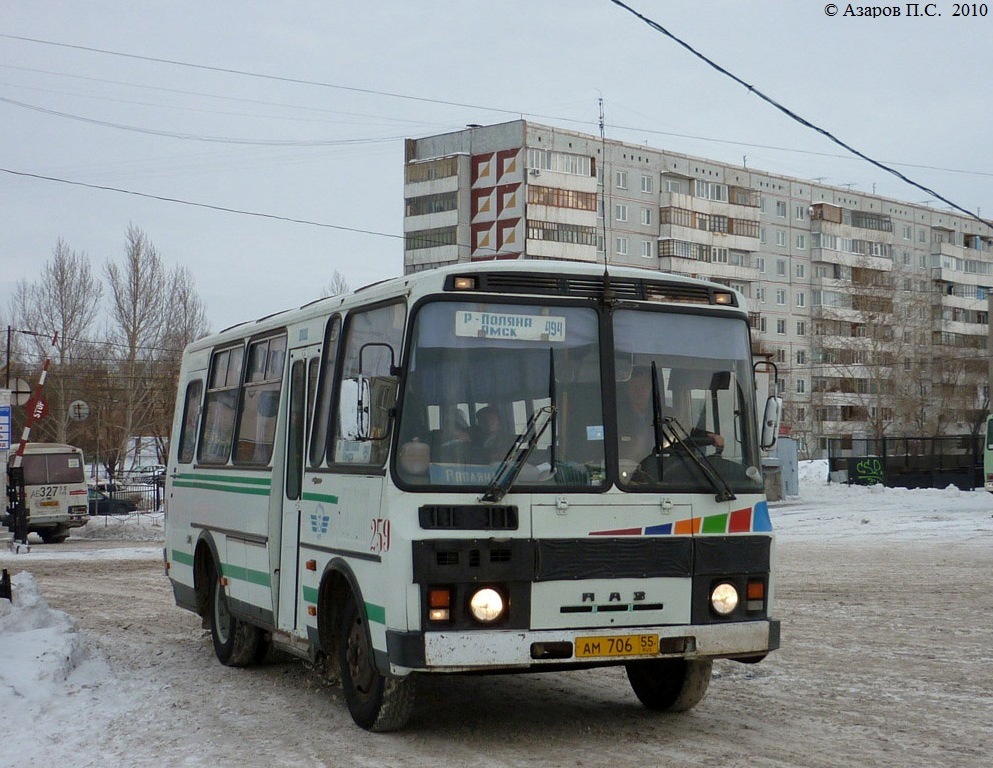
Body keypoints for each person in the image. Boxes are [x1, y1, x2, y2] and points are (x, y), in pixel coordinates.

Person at [616, 366, 723, 464]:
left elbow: (684, 431)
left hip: (660, 468)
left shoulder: (666, 413)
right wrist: (631, 448)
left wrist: (709, 435)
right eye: (635, 386)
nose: (639, 390)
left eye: (643, 386)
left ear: (651, 388)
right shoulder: (616, 416)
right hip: (627, 469)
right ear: (627, 388)